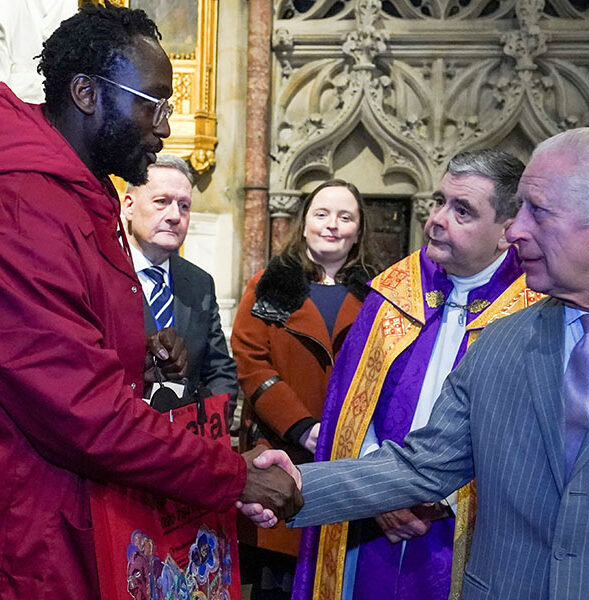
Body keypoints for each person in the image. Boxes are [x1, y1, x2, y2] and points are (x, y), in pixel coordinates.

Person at [0, 3, 300, 599]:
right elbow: (83, 415)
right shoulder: (25, 205)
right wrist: (233, 476)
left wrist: (132, 347)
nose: (164, 127)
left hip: (75, 511)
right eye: (153, 104)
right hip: (36, 529)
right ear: (87, 93)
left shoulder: (77, 189)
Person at [248, 126, 589, 600]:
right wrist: (287, 483)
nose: (518, 230)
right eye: (440, 202)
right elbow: (423, 465)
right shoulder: (505, 339)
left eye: (536, 212)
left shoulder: (506, 311)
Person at [291, 150, 543, 600]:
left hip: (470, 534)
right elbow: (351, 413)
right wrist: (382, 491)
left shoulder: (532, 313)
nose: (437, 220)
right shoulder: (393, 292)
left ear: (508, 231)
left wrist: (439, 497)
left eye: (461, 210)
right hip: (373, 523)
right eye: (439, 201)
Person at [231, 179, 378, 599]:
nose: (332, 225)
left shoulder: (379, 295)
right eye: (322, 214)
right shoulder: (269, 285)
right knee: (280, 582)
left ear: (358, 229)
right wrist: (304, 428)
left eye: (345, 217)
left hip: (355, 459)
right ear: (304, 223)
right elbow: (251, 363)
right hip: (284, 456)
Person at [122, 153, 238, 413]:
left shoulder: (200, 282)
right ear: (129, 206)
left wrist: (210, 422)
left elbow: (219, 368)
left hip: (190, 439)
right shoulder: (103, 271)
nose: (175, 215)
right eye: (161, 202)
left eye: (184, 205)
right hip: (122, 436)